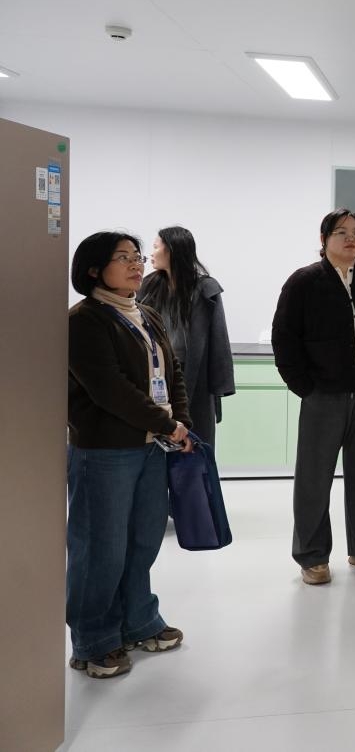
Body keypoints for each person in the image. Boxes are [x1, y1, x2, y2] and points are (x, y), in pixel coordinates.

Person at [67, 231, 193, 679]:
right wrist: (166, 423)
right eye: (123, 257)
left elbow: (173, 373)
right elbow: (110, 389)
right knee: (100, 547)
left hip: (151, 446)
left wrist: (181, 420)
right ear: (94, 269)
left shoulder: (147, 314)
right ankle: (93, 640)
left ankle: (139, 621)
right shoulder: (83, 320)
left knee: (142, 540)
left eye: (137, 256)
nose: (136, 264)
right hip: (105, 451)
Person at [271, 209, 355, 586]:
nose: (351, 238)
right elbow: (284, 339)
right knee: (314, 479)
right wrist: (304, 386)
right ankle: (312, 556)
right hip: (324, 395)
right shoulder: (303, 282)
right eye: (341, 232)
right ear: (324, 239)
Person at [138, 225, 235, 446]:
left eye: (156, 247)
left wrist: (220, 384)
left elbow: (218, 338)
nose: (151, 253)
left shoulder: (205, 288)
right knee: (157, 439)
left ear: (172, 250)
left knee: (194, 441)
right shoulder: (148, 286)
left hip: (194, 374)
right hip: (155, 372)